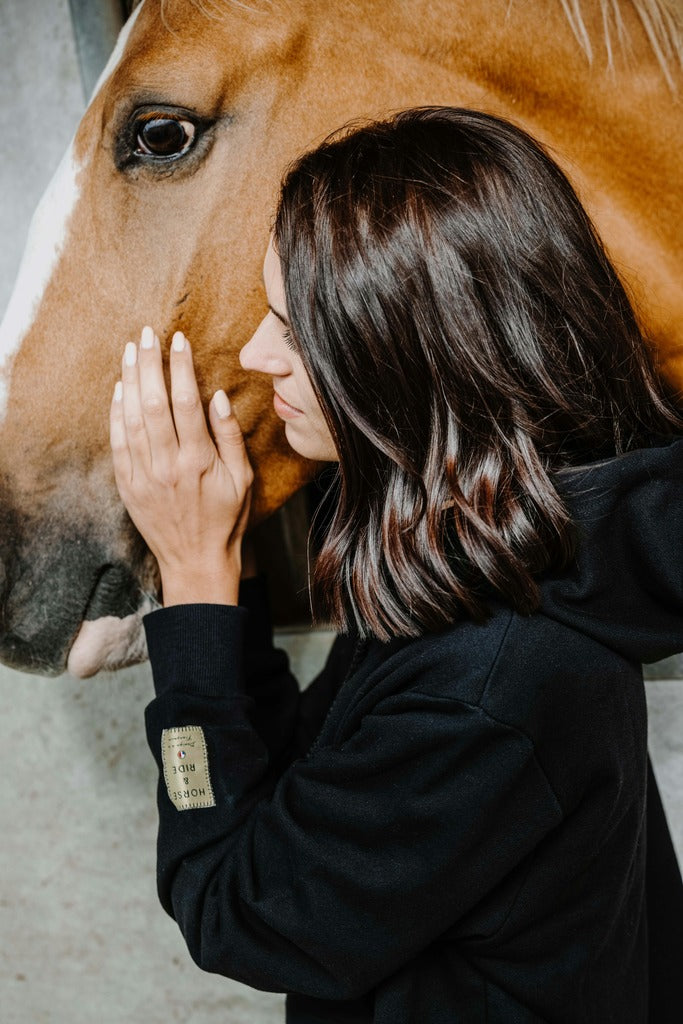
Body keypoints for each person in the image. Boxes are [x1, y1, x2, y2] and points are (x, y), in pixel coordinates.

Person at [109, 107, 683, 1023]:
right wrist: (232, 584)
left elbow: (237, 908)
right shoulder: (496, 554)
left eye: (295, 329)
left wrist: (194, 581)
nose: (259, 358)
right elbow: (309, 784)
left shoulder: (486, 682)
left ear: (405, 362)